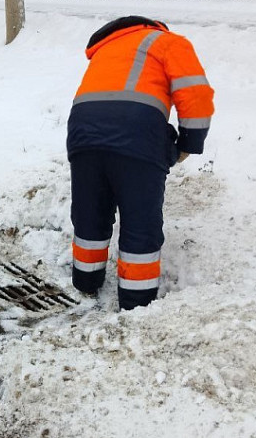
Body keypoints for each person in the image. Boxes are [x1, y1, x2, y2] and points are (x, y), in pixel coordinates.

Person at [66, 16, 215, 311]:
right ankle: (136, 303)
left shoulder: (106, 50)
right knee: (139, 220)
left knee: (90, 210)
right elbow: (195, 93)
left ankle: (86, 282)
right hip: (136, 135)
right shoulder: (168, 42)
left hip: (82, 132)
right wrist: (188, 143)